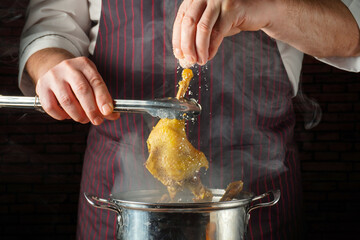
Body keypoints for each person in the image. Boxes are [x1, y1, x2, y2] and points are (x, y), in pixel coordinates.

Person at [19, 0, 360, 239]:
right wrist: (51, 65)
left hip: (254, 199)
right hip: (118, 193)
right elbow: (51, 25)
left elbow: (353, 30)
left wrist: (269, 6)